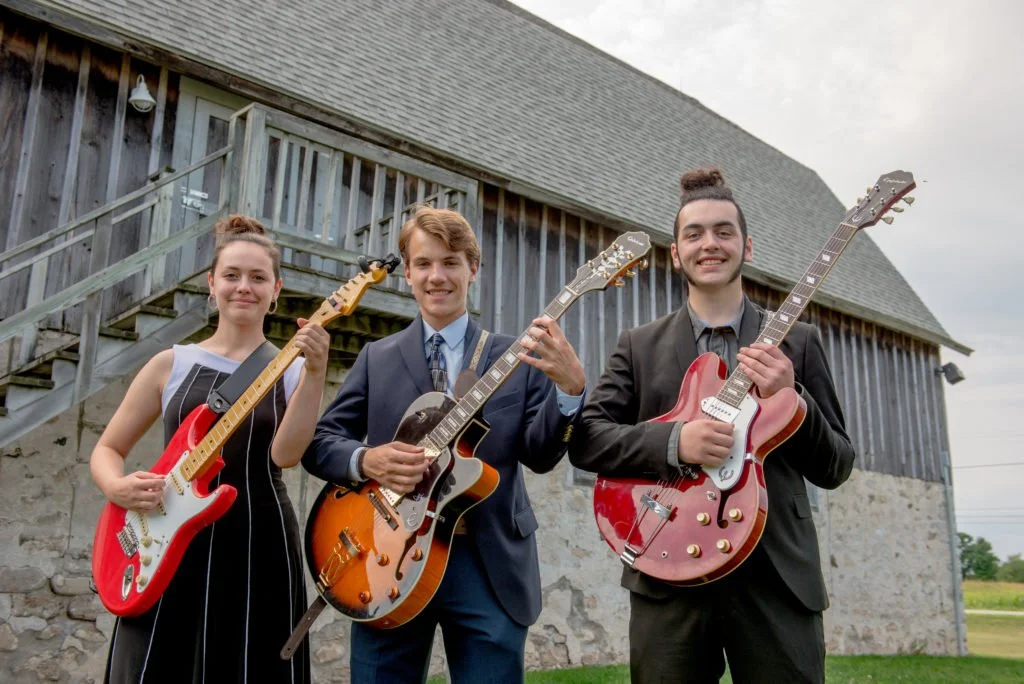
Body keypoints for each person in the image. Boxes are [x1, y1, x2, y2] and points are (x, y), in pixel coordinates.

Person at [569, 168, 856, 683]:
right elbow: (588, 439)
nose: (710, 244)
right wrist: (677, 440)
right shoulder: (639, 345)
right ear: (676, 253)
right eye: (694, 234)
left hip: (777, 579)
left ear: (748, 247)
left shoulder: (801, 342)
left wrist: (796, 398)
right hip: (668, 569)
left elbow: (837, 465)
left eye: (724, 232)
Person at [303, 205, 586, 683]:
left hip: (488, 562)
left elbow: (541, 456)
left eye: (451, 262)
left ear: (473, 269)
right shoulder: (378, 357)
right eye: (424, 263)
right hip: (384, 557)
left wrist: (570, 392)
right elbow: (320, 443)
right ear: (408, 273)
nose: (438, 276)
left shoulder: (516, 356)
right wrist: (368, 459)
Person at [91, 215, 330, 683]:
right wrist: (117, 487)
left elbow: (286, 455)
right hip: (164, 538)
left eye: (258, 277)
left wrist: (316, 372)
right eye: (232, 275)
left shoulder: (293, 372)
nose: (245, 287)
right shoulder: (171, 364)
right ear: (212, 284)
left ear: (276, 289)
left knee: (248, 664)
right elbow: (108, 447)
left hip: (257, 538)